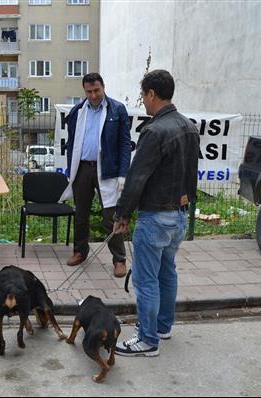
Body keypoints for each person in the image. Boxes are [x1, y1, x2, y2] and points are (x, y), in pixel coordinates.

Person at [113, 69, 200, 357]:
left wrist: (122, 214)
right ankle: (163, 327)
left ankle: (148, 340)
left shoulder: (153, 131)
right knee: (167, 272)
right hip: (179, 214)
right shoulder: (188, 126)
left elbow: (137, 177)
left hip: (156, 216)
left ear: (152, 94)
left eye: (144, 96)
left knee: (146, 279)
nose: (143, 102)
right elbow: (192, 174)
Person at [62, 73, 131, 278]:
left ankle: (119, 259)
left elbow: (125, 144)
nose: (93, 95)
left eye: (96, 91)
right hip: (82, 169)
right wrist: (69, 169)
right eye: (89, 91)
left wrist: (123, 173)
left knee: (111, 217)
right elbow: (72, 143)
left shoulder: (117, 110)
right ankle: (80, 251)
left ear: (103, 88)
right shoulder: (77, 111)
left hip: (107, 170)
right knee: (80, 214)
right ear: (84, 91)